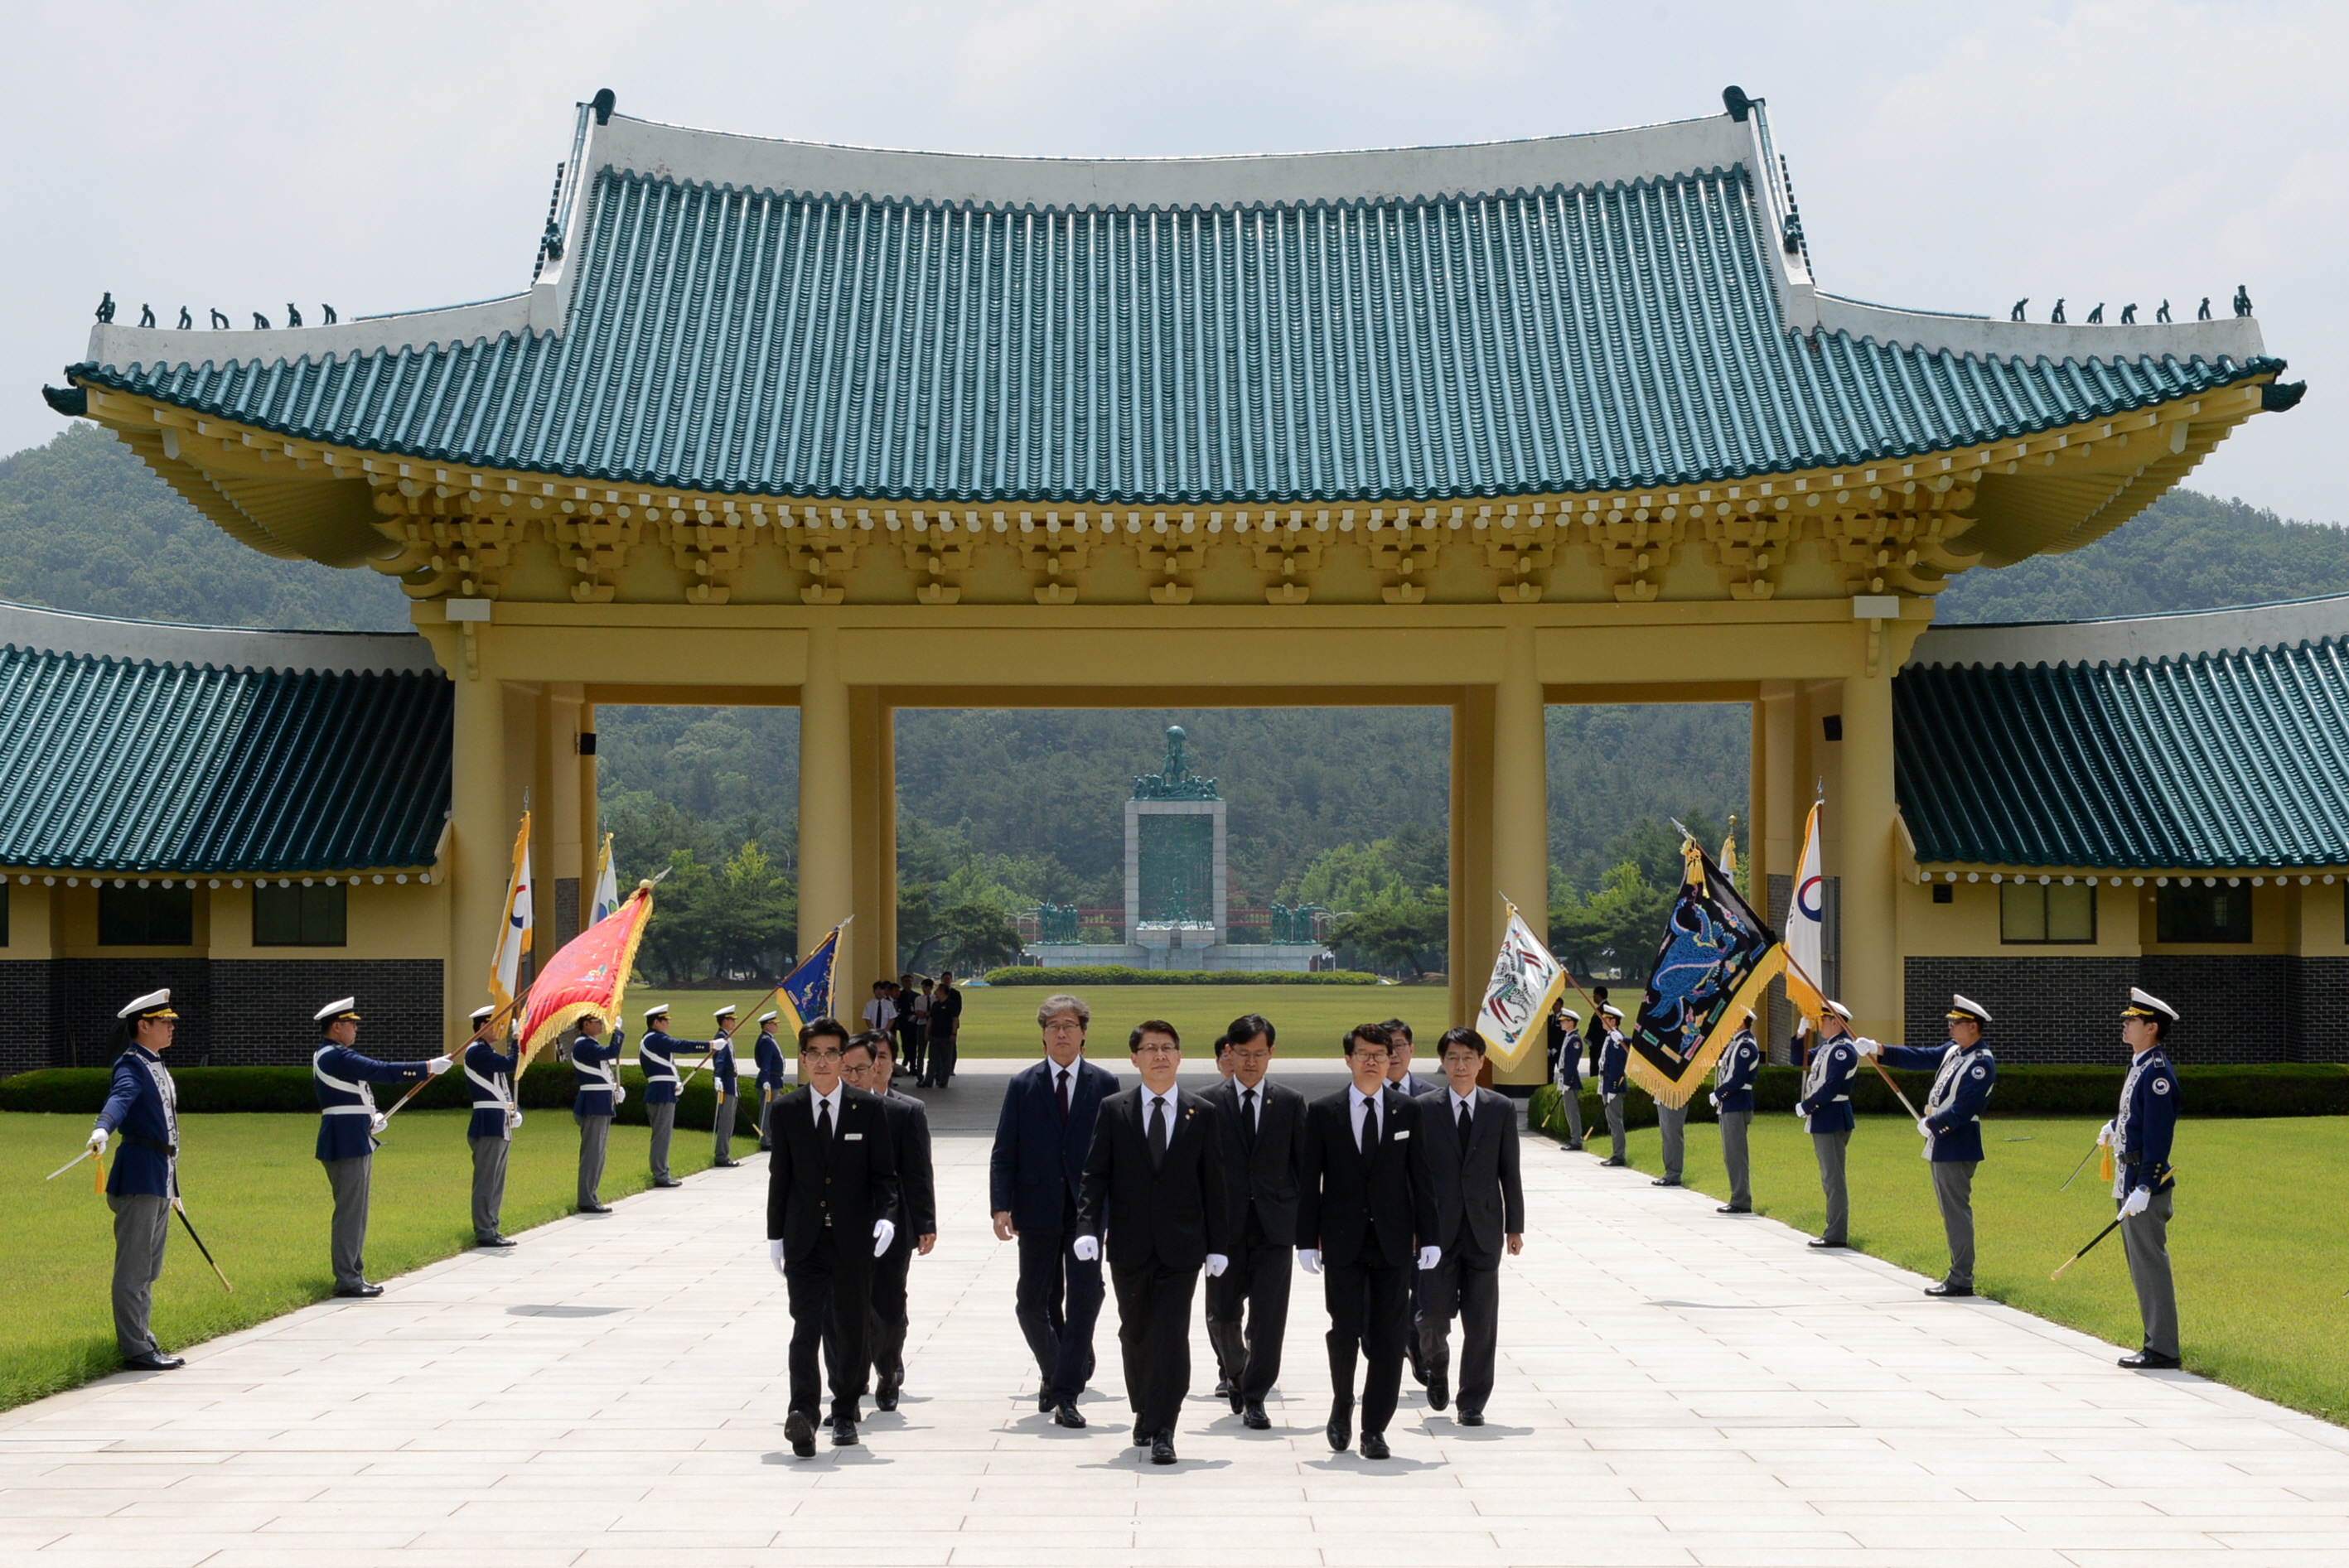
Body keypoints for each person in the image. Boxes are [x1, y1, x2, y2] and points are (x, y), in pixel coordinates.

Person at [1075, 1020, 1230, 1464]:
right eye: (1150, 1048)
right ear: (1134, 1058)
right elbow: (1095, 1175)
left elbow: (1214, 1183)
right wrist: (1088, 1228)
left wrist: (1218, 1245)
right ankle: (1144, 1408)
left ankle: (1165, 1426)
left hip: (1182, 1247)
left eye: (1168, 1048)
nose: (1159, 1055)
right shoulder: (1113, 1109)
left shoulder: (1202, 1112)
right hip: (1129, 1243)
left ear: (1179, 1057)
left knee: (1170, 1334)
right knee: (1136, 1332)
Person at [1296, 1022, 1439, 1461]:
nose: (1374, 1061)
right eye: (1364, 1054)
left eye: (1382, 1054)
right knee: (1345, 1330)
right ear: (1349, 1059)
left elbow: (1422, 1177)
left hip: (1394, 1242)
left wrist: (1429, 1237)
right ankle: (1342, 1404)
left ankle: (1374, 1427)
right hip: (1342, 1241)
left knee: (1389, 1337)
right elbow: (1309, 1182)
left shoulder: (1407, 1110)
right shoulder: (1323, 1111)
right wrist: (1305, 1241)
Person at [768, 1017, 899, 1456]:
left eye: (831, 1053)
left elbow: (885, 1176)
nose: (822, 1062)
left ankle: (844, 1412)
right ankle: (803, 1413)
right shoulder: (787, 1110)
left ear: (844, 1059)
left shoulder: (868, 1107)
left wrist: (887, 1217)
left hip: (853, 1239)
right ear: (803, 1060)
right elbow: (780, 1179)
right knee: (805, 1327)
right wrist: (775, 1236)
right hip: (804, 1239)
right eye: (813, 1054)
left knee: (850, 1328)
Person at [988, 992, 1115, 1429]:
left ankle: (1065, 1393)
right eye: (1053, 1026)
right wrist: (1000, 1206)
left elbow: (1114, 1156)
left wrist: (1112, 1214)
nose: (1062, 1033)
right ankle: (1060, 1365)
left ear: (1083, 1034)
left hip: (1085, 1213)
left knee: (1085, 1299)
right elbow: (1005, 1150)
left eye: (1070, 1025)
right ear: (1043, 1035)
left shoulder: (1105, 1084)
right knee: (1032, 1303)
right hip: (1036, 1208)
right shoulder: (1023, 1085)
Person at [1414, 1026, 1525, 1426]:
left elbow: (1509, 1169)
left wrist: (1515, 1226)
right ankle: (1435, 1363)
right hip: (1436, 1232)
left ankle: (1472, 1402)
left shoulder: (1499, 1107)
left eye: (1469, 1058)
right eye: (1453, 1058)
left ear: (1482, 1062)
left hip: (1483, 1228)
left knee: (1482, 1322)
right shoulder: (1424, 1107)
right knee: (1432, 1316)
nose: (1461, 1065)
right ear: (1443, 1063)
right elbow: (1414, 1173)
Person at [1200, 1012, 1304, 1430]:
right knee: (1222, 1314)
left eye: (1260, 1054)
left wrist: (1307, 1226)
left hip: (1274, 1227)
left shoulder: (1292, 1102)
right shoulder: (1206, 1103)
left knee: (1268, 1319)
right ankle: (1237, 1372)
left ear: (1271, 1054)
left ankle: (1257, 1396)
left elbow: (1304, 1166)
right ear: (1229, 1053)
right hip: (1223, 1228)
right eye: (1243, 1054)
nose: (1251, 1062)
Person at [310, 997, 451, 1298]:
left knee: (356, 1213)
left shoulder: (335, 1054)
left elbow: (353, 1094)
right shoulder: (333, 1055)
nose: (356, 1028)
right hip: (345, 1140)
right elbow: (380, 1071)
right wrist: (427, 1066)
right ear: (337, 1027)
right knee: (351, 1213)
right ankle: (347, 1279)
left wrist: (369, 1118)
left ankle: (353, 1273)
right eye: (352, 1023)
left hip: (353, 1135)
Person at [824, 1032, 935, 1411]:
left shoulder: (903, 1113)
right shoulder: (826, 1111)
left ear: (877, 1068)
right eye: (847, 1069)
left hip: (890, 1229)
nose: (853, 1076)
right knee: (838, 1314)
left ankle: (888, 1368)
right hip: (837, 1231)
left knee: (888, 1312)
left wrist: (924, 1223)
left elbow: (918, 1173)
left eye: (861, 1068)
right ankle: (847, 1392)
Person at [1858, 994, 1997, 1296]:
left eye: (1956, 1023)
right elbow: (1919, 1056)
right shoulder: (1953, 1052)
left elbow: (1963, 1108)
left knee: (1956, 1212)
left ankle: (1961, 1278)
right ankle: (1958, 1273)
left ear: (1973, 1027)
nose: (1950, 1027)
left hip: (1957, 1142)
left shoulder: (1980, 1063)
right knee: (1950, 1212)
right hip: (1942, 1142)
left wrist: (1933, 1123)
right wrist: (1878, 1049)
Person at [86, 989, 186, 1371]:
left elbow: (169, 1134)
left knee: (149, 1268)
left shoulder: (155, 1062)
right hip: (140, 1175)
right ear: (143, 1025)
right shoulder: (130, 1066)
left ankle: (144, 1338)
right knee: (134, 1269)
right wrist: (102, 1128)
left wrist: (174, 1187)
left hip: (159, 1176)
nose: (171, 1027)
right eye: (165, 1022)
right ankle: (136, 1349)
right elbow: (120, 1099)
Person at [2105, 989, 2182, 1369]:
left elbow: (2158, 1135)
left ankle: (2163, 1349)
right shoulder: (2140, 1064)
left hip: (2143, 1186)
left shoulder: (2156, 1073)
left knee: (2150, 1267)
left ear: (2151, 1027)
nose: (2125, 1023)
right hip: (2129, 1179)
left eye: (2132, 1019)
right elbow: (2135, 1117)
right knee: (2140, 1267)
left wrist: (2146, 1186)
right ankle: (2154, 1341)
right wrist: (2115, 1126)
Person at [1795, 1001, 1862, 1249]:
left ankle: (1836, 1233)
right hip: (1824, 1116)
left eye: (1823, 1020)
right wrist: (1800, 1034)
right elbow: (1797, 1059)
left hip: (1832, 1115)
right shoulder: (1827, 1048)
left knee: (1833, 1178)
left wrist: (1808, 1105)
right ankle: (1833, 1229)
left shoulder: (1843, 1050)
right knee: (1828, 1177)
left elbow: (1831, 1086)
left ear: (1836, 1022)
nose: (1820, 1024)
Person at [462, 1003, 523, 1248]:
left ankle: (491, 1226)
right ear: (483, 1026)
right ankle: (485, 1230)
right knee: (487, 1180)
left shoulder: (487, 1051)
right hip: (487, 1122)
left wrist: (513, 1110)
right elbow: (512, 1064)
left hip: (498, 1121)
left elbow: (502, 1087)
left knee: (497, 1180)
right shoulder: (477, 1051)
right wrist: (517, 1041)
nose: (501, 1030)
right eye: (497, 1025)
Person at [634, 1005, 697, 1188]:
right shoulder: (655, 1038)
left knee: (663, 1135)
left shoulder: (655, 1039)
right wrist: (709, 1045)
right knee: (661, 1136)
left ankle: (662, 1171)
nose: (668, 1024)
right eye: (665, 1020)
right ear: (656, 1022)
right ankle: (660, 1174)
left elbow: (666, 1065)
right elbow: (681, 1045)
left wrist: (675, 1082)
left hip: (665, 1089)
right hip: (660, 1092)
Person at [1711, 1008, 1762, 1214]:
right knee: (1730, 1154)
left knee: (1736, 1154)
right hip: (1730, 1104)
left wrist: (1719, 1093)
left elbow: (1738, 1078)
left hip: (1737, 1102)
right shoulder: (1737, 1043)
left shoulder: (1746, 1046)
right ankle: (1737, 1196)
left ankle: (1741, 1200)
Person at [570, 1013, 623, 1213]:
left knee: (598, 1154)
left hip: (600, 1102)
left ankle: (591, 1195)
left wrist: (614, 1089)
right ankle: (586, 1199)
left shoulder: (589, 1043)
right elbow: (612, 1051)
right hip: (593, 1104)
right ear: (586, 1025)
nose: (601, 1025)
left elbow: (604, 1071)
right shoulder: (583, 1044)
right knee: (592, 1154)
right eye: (597, 1022)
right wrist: (617, 1032)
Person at [707, 1005, 742, 1168]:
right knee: (726, 1122)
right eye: (731, 1020)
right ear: (724, 1021)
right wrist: (717, 1078)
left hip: (731, 1083)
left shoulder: (727, 1037)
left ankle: (724, 1153)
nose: (734, 1022)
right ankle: (721, 1156)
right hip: (726, 1084)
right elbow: (719, 1061)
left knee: (729, 1122)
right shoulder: (721, 1039)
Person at [1595, 1005, 1630, 1165]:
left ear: (1613, 1021)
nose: (1602, 1021)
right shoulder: (1611, 1037)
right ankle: (1616, 1153)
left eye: (1605, 1019)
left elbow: (1617, 1065)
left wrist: (1613, 1087)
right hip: (1607, 1083)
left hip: (1613, 1085)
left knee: (1615, 1121)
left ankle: (1619, 1155)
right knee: (1612, 1121)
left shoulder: (1617, 1039)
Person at [1549, 1006, 1587, 1150]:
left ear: (1571, 1023)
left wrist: (1567, 1081)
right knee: (1568, 1111)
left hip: (1570, 1081)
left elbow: (1572, 1063)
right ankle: (1574, 1138)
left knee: (1572, 1112)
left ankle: (1576, 1140)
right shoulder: (1569, 1037)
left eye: (1564, 1021)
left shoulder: (1575, 1040)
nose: (1562, 1023)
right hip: (1565, 1079)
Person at [1379, 1019, 1440, 1098]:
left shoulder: (1433, 1095)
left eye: (1399, 1045)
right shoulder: (1363, 1092)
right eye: (1387, 1047)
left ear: (1411, 1050)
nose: (1393, 1054)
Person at [753, 1010, 787, 1151]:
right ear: (766, 1025)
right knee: (767, 1113)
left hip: (775, 1079)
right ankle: (766, 1141)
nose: (776, 1026)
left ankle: (770, 1139)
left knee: (772, 1112)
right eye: (773, 1023)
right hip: (770, 1080)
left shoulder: (769, 1039)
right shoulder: (766, 1041)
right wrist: (766, 1080)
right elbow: (765, 1063)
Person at [925, 971, 962, 1088]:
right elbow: (931, 1019)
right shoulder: (935, 1005)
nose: (935, 992)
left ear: (942, 992)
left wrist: (953, 1033)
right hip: (935, 1035)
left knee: (946, 1059)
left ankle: (943, 1081)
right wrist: (927, 1032)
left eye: (937, 990)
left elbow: (955, 1019)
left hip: (946, 1036)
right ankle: (929, 1081)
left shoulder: (951, 1004)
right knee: (932, 1060)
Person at [861, 979, 897, 1043]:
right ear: (874, 991)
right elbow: (867, 1019)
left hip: (885, 1031)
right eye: (877, 989)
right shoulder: (869, 1004)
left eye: (881, 989)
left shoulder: (889, 1004)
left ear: (884, 991)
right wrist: (873, 1030)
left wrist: (886, 1031)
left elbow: (892, 1018)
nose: (879, 992)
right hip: (873, 1032)